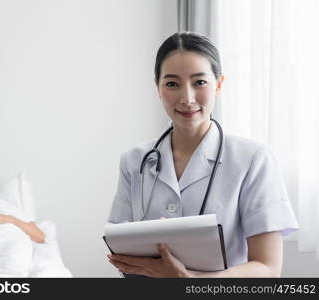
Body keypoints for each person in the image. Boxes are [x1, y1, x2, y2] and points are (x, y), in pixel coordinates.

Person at [107, 32, 299, 278]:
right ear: (158, 88)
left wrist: (191, 281)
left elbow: (268, 268)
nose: (187, 98)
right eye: (172, 84)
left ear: (218, 84)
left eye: (199, 82)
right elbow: (121, 252)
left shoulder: (252, 159)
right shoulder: (134, 161)